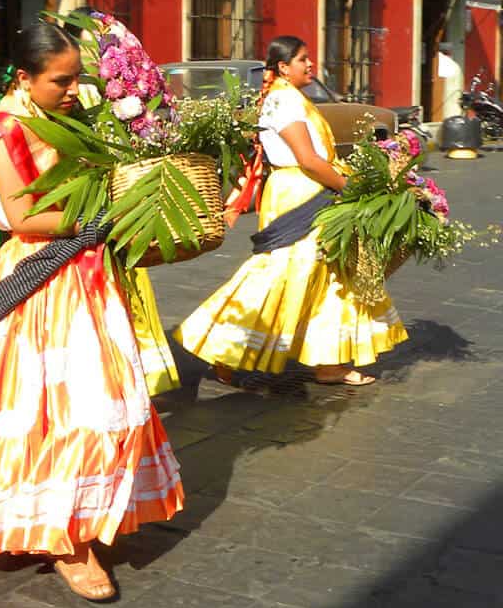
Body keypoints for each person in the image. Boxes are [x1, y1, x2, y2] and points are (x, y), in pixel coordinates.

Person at [0, 23, 184, 601]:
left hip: (86, 272)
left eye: (78, 76)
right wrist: (98, 218)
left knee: (97, 398)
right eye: (61, 79)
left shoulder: (66, 117)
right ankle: (68, 541)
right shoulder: (2, 132)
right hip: (43, 282)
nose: (73, 88)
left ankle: (68, 516)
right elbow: (20, 216)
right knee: (56, 407)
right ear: (24, 78)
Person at [174, 35, 408, 386]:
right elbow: (309, 160)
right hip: (301, 193)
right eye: (302, 59)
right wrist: (349, 187)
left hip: (304, 188)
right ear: (283, 67)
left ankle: (328, 362)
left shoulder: (288, 98)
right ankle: (219, 344)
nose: (310, 64)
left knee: (328, 274)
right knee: (283, 274)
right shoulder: (284, 101)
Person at [62, 7, 180, 397]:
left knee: (129, 279)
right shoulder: (67, 92)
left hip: (117, 195)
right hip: (79, 201)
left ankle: (134, 373)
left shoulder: (120, 83)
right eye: (90, 40)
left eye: (103, 40)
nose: (99, 48)